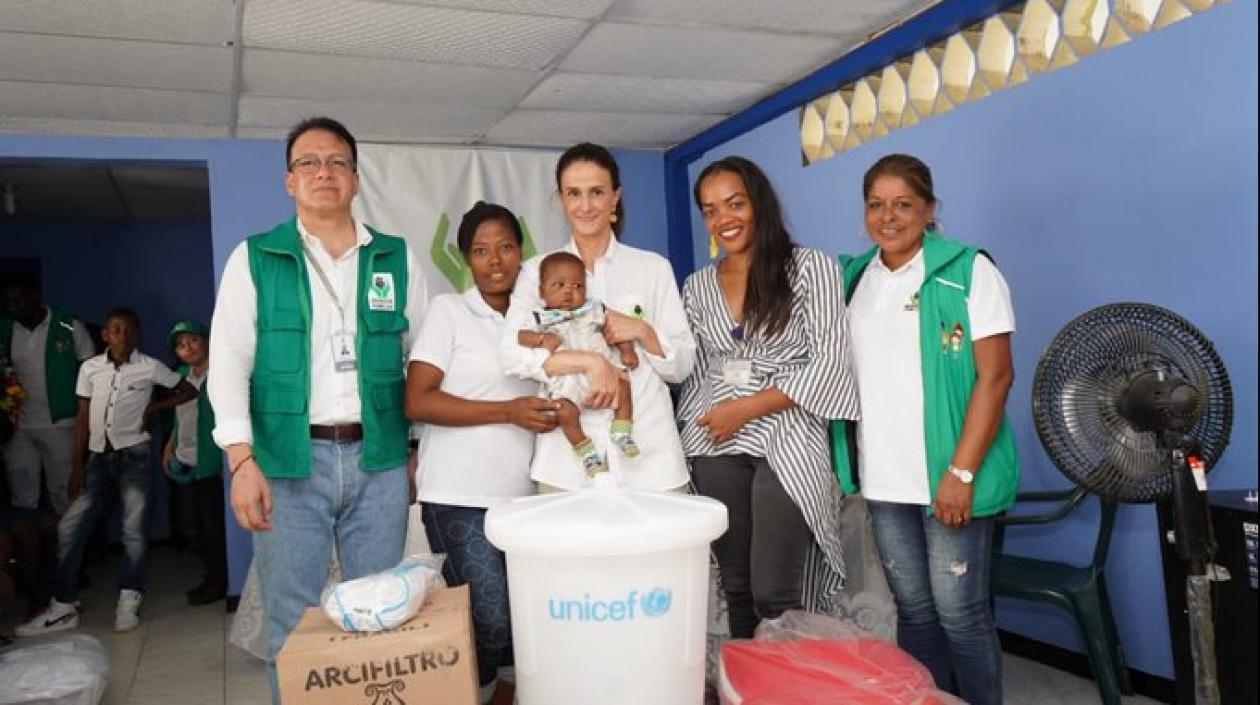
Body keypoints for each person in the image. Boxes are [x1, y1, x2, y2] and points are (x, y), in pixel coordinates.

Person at [207, 116, 427, 701]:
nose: (323, 172)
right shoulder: (254, 258)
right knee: (296, 627)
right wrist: (241, 461)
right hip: (286, 464)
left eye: (337, 162)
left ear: (355, 178)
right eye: (309, 162)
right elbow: (228, 363)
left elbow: (420, 363)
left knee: (376, 618)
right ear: (288, 180)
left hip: (378, 461)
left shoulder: (395, 259)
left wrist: (412, 451)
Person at [833, 153, 1017, 705]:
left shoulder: (968, 270)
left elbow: (996, 377)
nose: (888, 217)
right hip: (885, 479)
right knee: (914, 613)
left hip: (949, 476)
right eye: (876, 205)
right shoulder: (854, 277)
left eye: (903, 204)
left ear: (930, 209)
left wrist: (960, 471)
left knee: (960, 613)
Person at [678, 156, 859, 639]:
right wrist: (693, 434)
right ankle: (747, 688)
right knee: (736, 587)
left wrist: (747, 407)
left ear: (759, 202)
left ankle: (784, 686)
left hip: (788, 435)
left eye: (735, 203)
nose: (724, 218)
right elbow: (695, 374)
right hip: (716, 440)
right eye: (711, 210)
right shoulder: (696, 286)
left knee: (772, 592)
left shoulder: (810, 268)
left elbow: (831, 361)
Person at [406, 201, 556, 705]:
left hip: (527, 496)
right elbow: (418, 399)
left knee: (523, 624)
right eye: (481, 250)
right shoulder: (450, 311)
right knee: (490, 619)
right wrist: (506, 410)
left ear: (522, 253)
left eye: (507, 247)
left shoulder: (538, 318)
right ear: (466, 258)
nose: (496, 261)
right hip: (458, 495)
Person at [500, 142, 695, 492]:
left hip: (650, 459)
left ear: (615, 197)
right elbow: (511, 354)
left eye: (597, 192)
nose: (585, 205)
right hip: (567, 463)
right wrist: (590, 362)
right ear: (560, 199)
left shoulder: (652, 268)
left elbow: (681, 366)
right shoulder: (536, 273)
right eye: (574, 193)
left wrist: (642, 331)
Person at [15, 307, 197, 636]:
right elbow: (83, 418)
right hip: (97, 459)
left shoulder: (149, 366)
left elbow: (188, 391)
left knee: (133, 531)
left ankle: (129, 598)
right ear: (105, 335)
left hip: (135, 457)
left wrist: (154, 408)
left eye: (129, 330)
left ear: (137, 335)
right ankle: (63, 606)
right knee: (70, 527)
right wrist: (77, 466)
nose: (122, 336)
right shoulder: (89, 369)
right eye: (116, 330)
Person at [517, 251, 640, 476]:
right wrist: (542, 340)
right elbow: (521, 338)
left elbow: (617, 331)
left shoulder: (593, 309)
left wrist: (627, 351)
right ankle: (586, 451)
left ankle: (622, 429)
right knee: (563, 412)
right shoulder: (539, 318)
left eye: (577, 286)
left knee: (624, 385)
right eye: (559, 285)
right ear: (542, 291)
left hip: (604, 379)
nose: (568, 292)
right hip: (567, 384)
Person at [0, 276, 97, 516]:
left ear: (34, 296)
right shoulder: (5, 328)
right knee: (22, 495)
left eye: (18, 300)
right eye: (8, 303)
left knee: (65, 493)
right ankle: (31, 552)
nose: (13, 307)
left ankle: (71, 552)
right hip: (18, 427)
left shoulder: (68, 325)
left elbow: (92, 374)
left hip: (61, 424)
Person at [160, 320, 226, 605]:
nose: (187, 347)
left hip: (213, 459)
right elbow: (179, 417)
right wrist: (169, 445)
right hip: (186, 458)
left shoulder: (221, 371)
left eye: (193, 340)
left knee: (214, 527)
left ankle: (218, 583)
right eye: (180, 344)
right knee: (195, 525)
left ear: (206, 340)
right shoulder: (179, 376)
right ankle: (210, 576)